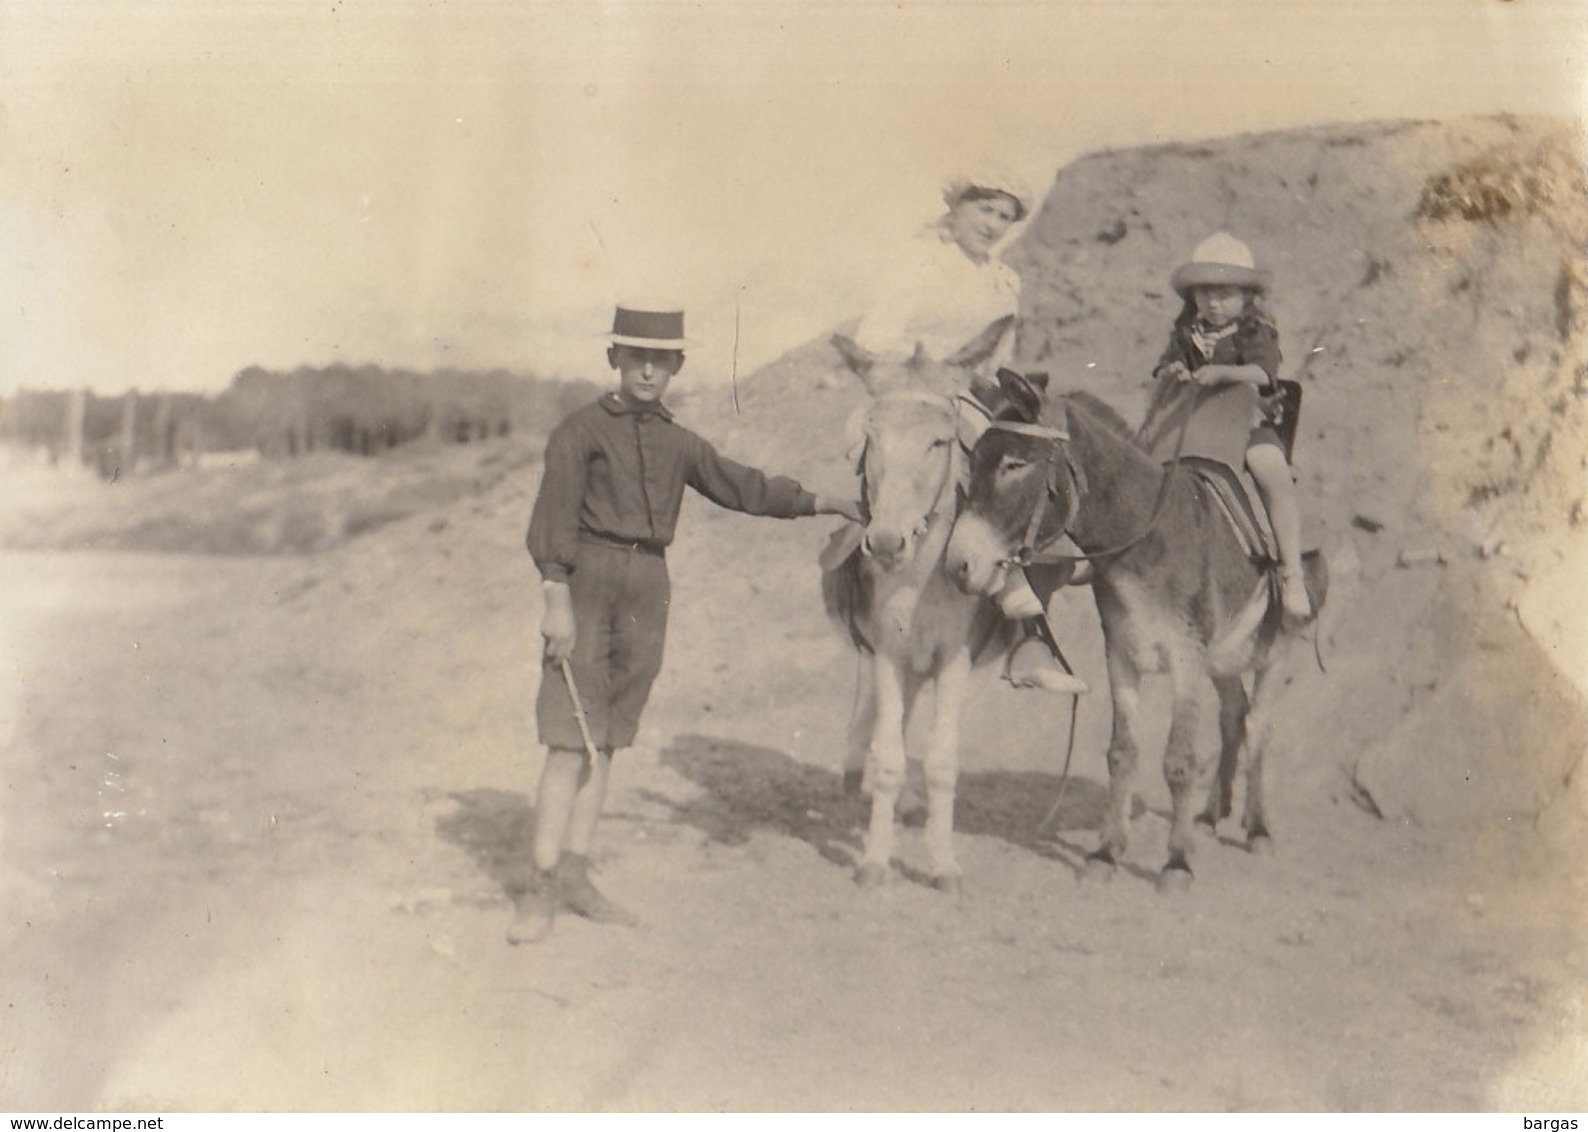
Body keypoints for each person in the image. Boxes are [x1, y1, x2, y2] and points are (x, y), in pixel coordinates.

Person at [514, 302, 863, 945]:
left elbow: (743, 487)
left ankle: (576, 873)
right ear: (615, 359)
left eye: (661, 360)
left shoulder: (678, 442)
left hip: (649, 587)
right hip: (586, 582)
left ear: (676, 365)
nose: (648, 371)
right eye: (636, 357)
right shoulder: (579, 433)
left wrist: (828, 501)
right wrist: (555, 595)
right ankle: (538, 889)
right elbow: (554, 517)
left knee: (609, 739)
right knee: (569, 740)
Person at [839, 164, 1087, 695]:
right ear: (957, 206)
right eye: (985, 208)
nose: (994, 224)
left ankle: (1025, 620)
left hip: (970, 394)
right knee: (881, 444)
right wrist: (923, 371)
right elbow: (877, 332)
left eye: (1005, 216)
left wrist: (983, 383)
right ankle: (863, 562)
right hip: (909, 387)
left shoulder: (1003, 281)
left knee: (1015, 470)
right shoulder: (919, 259)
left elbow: (1001, 357)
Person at [1139, 231, 1312, 625]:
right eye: (1205, 294)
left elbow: (1265, 373)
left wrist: (1223, 373)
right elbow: (1162, 367)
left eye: (1225, 294)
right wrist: (1174, 369)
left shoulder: (1254, 332)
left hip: (1245, 423)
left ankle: (1292, 573)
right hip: (1194, 425)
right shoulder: (1187, 334)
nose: (1214, 303)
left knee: (1272, 471)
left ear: (1246, 297)